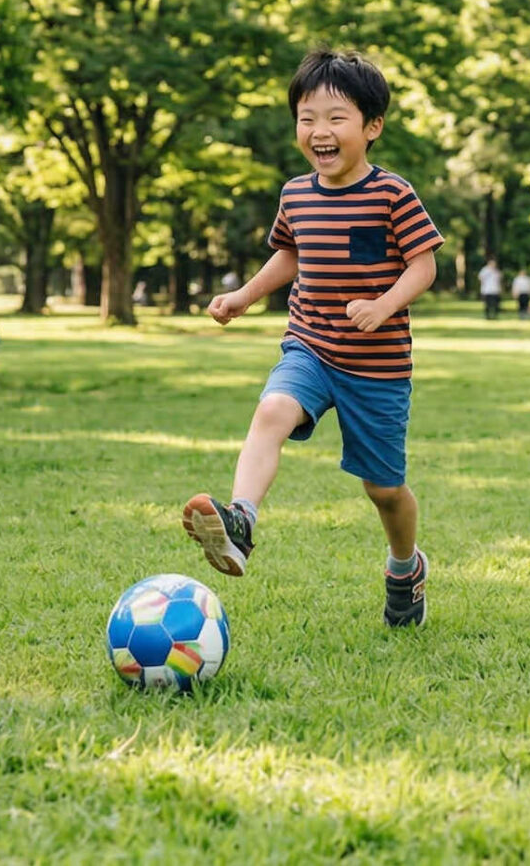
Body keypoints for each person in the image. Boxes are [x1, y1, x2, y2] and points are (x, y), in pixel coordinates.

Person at [182, 49, 444, 628]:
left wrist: (383, 304)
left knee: (385, 490)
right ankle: (242, 520)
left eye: (335, 118)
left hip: (376, 367)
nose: (319, 131)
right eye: (307, 117)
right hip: (310, 345)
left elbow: (423, 266)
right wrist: (244, 297)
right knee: (272, 409)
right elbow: (290, 255)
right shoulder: (296, 194)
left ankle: (405, 565)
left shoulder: (392, 194)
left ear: (372, 127)